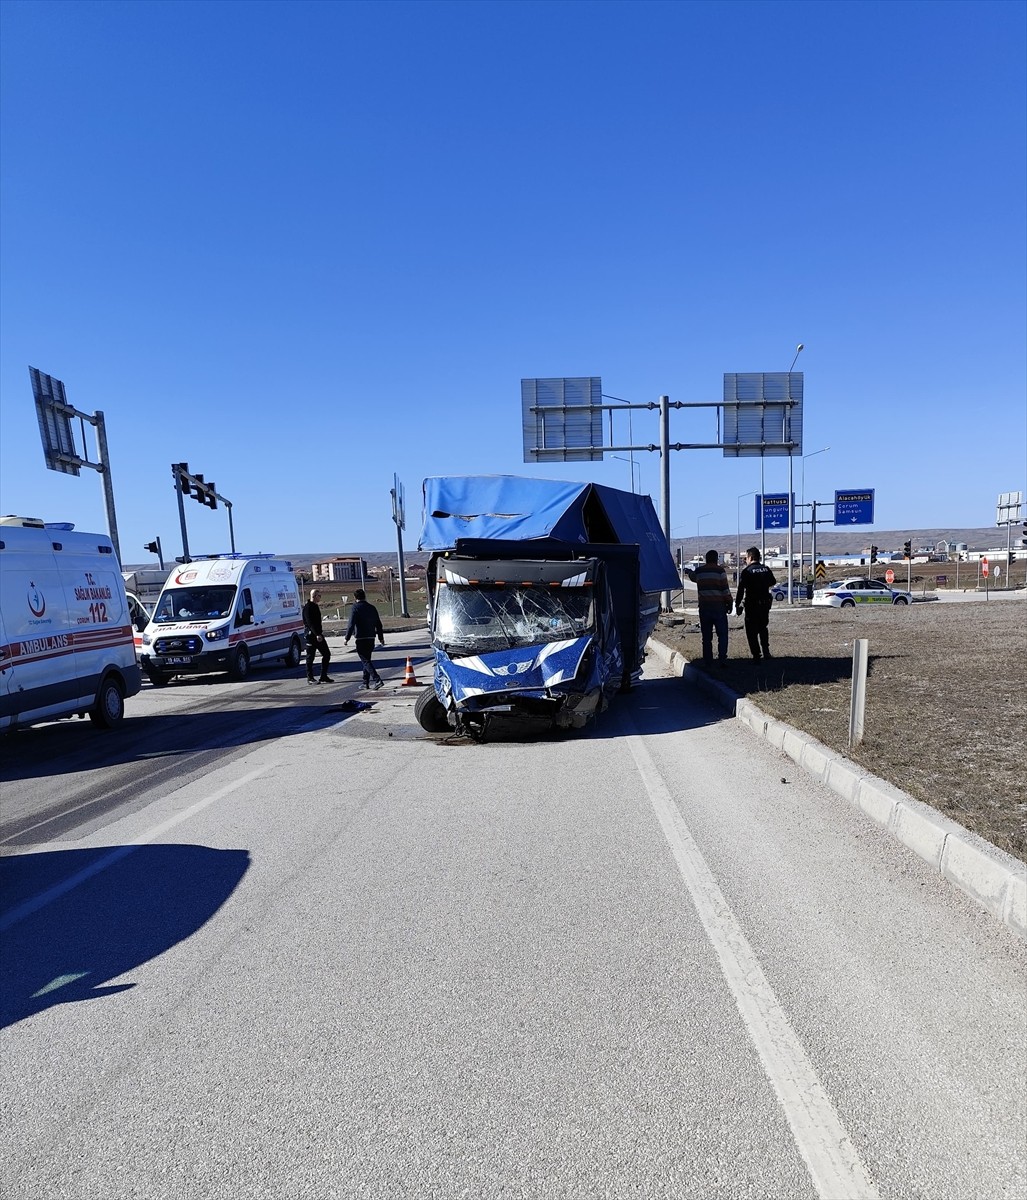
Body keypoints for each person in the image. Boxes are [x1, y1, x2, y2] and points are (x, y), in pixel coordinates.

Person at [684, 549, 733, 666]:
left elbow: (692, 577)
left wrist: (688, 571)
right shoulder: (720, 571)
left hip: (705, 608)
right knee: (722, 634)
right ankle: (722, 659)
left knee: (706, 636)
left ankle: (708, 660)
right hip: (719, 607)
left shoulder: (700, 571)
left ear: (706, 559)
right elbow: (725, 590)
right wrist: (730, 603)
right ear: (716, 559)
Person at [735, 546, 777, 661]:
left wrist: (737, 604)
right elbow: (773, 581)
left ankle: (756, 655)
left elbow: (740, 590)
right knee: (763, 627)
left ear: (751, 557)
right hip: (764, 604)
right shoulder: (766, 569)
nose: (745, 561)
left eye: (746, 558)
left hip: (752, 605)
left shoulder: (747, 571)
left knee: (751, 630)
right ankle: (766, 651)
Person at [345, 588, 385, 689]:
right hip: (371, 637)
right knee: (367, 660)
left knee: (365, 660)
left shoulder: (355, 608)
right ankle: (365, 682)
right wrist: (381, 637)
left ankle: (377, 679)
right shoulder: (372, 608)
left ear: (355, 598)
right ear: (364, 596)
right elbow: (379, 624)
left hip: (361, 637)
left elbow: (351, 624)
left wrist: (347, 638)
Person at [302, 588, 333, 684]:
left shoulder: (315, 606)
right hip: (312, 636)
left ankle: (323, 675)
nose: (320, 597)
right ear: (314, 596)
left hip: (319, 635)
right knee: (310, 657)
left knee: (326, 654)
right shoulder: (308, 607)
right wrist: (317, 634)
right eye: (319, 595)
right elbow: (310, 623)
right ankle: (310, 677)